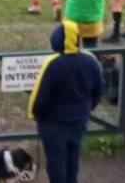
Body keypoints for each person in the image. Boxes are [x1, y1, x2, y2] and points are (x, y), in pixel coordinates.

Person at [28, 22, 103, 183]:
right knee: (73, 158)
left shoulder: (53, 64)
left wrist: (35, 114)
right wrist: (88, 108)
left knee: (56, 161)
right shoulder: (90, 60)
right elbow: (99, 90)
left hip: (54, 124)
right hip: (80, 120)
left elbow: (40, 97)